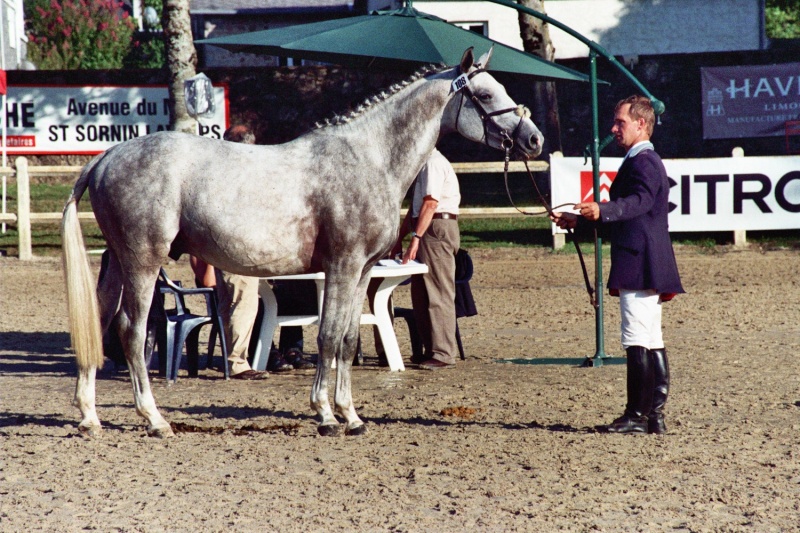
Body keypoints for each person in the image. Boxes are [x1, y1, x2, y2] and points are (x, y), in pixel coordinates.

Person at [551, 95, 684, 434]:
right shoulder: (642, 160)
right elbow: (632, 211)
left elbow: (638, 202)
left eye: (620, 122)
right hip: (646, 257)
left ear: (641, 124)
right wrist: (578, 221)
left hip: (640, 260)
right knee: (650, 337)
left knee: (637, 337)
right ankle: (653, 415)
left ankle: (636, 415)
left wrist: (605, 208)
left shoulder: (645, 161)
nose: (613, 128)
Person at [214, 125, 313, 379]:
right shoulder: (239, 175)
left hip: (231, 247)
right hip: (239, 247)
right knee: (243, 303)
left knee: (236, 303)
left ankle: (246, 357)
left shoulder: (219, 172)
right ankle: (238, 363)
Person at [396, 148, 461, 370]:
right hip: (426, 226)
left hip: (436, 228)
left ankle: (443, 352)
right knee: (421, 293)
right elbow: (417, 208)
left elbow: (430, 204)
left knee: (438, 291)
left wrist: (416, 238)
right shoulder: (423, 164)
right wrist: (400, 236)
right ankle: (431, 348)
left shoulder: (432, 163)